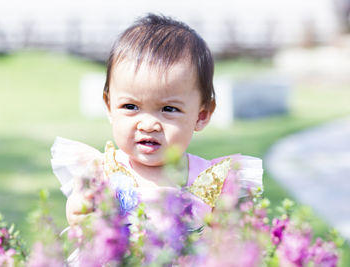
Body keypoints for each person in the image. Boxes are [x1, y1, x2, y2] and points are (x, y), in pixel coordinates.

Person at [51, 14, 263, 227]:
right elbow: (80, 214)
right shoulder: (101, 172)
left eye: (169, 109)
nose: (148, 125)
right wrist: (79, 213)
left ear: (202, 114)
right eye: (131, 107)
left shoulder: (210, 180)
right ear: (109, 106)